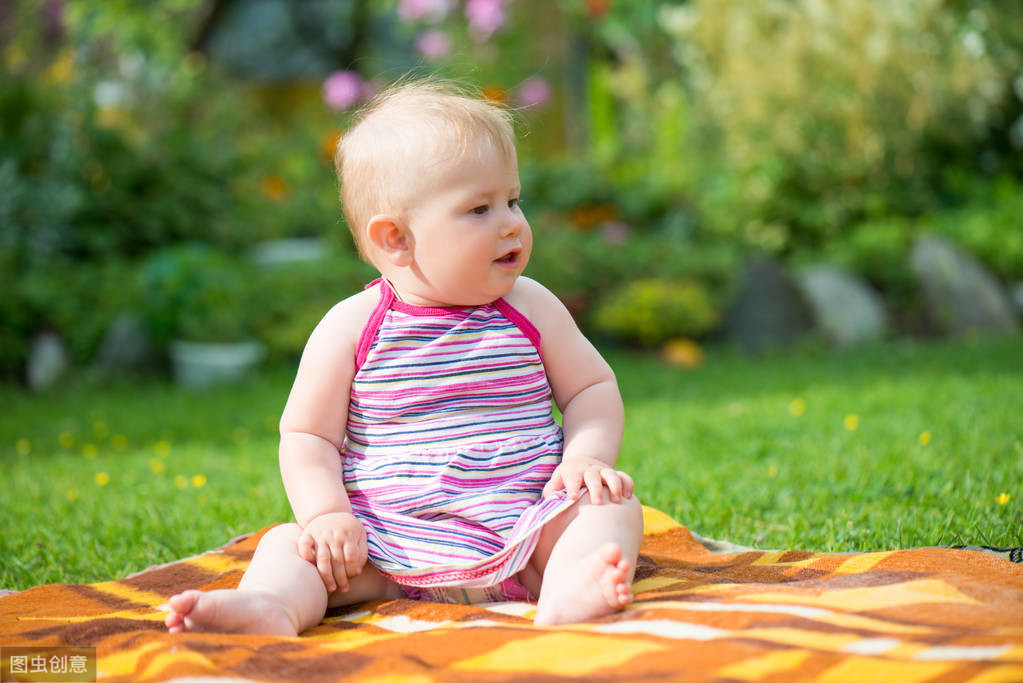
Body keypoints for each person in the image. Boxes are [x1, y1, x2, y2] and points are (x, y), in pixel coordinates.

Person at [164, 79, 643, 636]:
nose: (512, 222)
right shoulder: (352, 328)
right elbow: (308, 436)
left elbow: (590, 389)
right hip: (386, 541)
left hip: (526, 527)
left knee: (613, 509)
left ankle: (569, 586)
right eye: (479, 209)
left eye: (512, 200)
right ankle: (271, 606)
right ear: (396, 239)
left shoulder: (531, 306)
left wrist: (586, 458)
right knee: (290, 546)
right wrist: (327, 516)